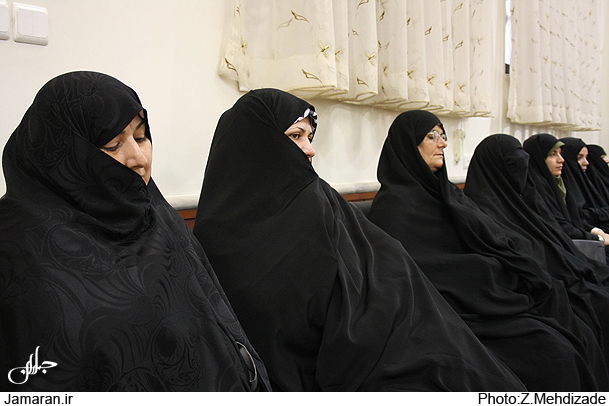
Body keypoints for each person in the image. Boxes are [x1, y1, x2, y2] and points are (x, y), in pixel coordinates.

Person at [193, 88, 526, 391]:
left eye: (310, 137)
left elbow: (382, 270)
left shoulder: (317, 197)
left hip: (394, 333)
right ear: (256, 141)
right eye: (296, 136)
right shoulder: (223, 231)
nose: (310, 149)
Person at [0, 71, 269, 391]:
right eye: (112, 145)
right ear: (61, 154)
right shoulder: (18, 249)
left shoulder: (155, 214)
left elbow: (217, 319)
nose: (139, 158)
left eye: (141, 138)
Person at [368, 110, 608, 391]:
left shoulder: (447, 193)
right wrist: (493, 271)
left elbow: (492, 238)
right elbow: (423, 270)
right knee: (556, 355)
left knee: (571, 325)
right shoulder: (394, 207)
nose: (443, 143)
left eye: (443, 135)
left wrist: (513, 266)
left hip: (494, 295)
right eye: (432, 136)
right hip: (460, 312)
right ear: (409, 144)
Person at [463, 133, 609, 365]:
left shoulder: (525, 196)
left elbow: (551, 237)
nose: (521, 165)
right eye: (514, 160)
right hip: (532, 291)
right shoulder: (480, 210)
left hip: (558, 277)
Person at [523, 134, 609, 256]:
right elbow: (558, 225)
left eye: (560, 154)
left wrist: (595, 231)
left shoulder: (558, 183)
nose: (561, 160)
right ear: (538, 158)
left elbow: (572, 218)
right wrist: (597, 238)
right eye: (553, 154)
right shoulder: (534, 189)